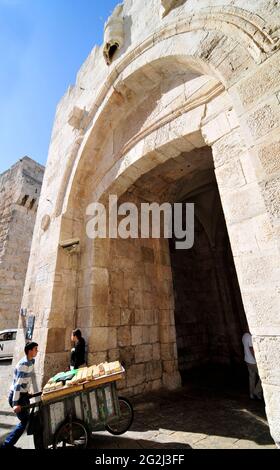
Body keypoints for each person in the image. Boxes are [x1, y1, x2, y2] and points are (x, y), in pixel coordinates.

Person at [1, 341, 38, 449]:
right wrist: (15, 403)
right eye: (35, 349)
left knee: (26, 420)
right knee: (24, 421)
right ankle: (7, 445)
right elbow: (17, 385)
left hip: (23, 396)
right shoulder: (24, 364)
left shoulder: (31, 361)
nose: (37, 351)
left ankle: (8, 444)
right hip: (17, 397)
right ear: (30, 351)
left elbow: (25, 381)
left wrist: (27, 393)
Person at [242, 331, 263, 400]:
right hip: (253, 362)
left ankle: (251, 394)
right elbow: (251, 349)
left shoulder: (244, 335)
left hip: (247, 360)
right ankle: (256, 391)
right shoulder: (250, 337)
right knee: (263, 377)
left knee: (251, 377)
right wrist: (257, 360)